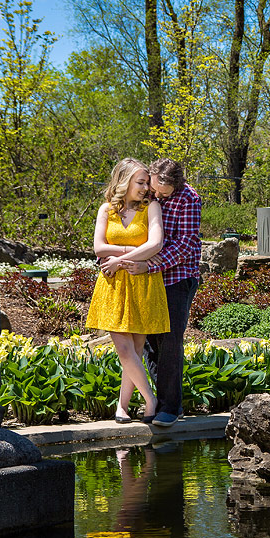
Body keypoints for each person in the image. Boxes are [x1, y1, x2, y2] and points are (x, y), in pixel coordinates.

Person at [85, 158, 170, 423]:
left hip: (142, 283)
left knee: (134, 349)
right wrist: (130, 254)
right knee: (124, 349)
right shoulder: (106, 210)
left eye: (147, 183)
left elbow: (156, 243)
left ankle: (122, 407)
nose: (146, 188)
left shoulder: (152, 207)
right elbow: (99, 248)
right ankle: (150, 399)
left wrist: (118, 259)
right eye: (141, 183)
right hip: (113, 285)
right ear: (124, 181)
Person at [120, 158, 201, 427]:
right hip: (146, 281)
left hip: (177, 279)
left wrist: (150, 264)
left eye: (165, 193)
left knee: (170, 342)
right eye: (155, 189)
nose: (157, 195)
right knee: (149, 343)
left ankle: (171, 406)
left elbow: (186, 245)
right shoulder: (146, 193)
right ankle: (155, 401)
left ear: (177, 185)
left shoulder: (189, 198)